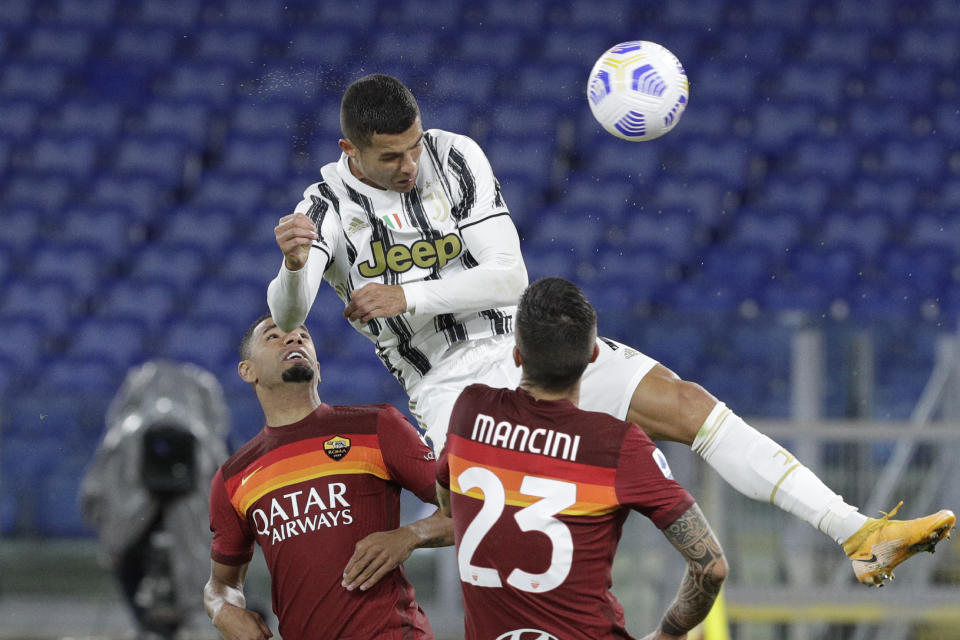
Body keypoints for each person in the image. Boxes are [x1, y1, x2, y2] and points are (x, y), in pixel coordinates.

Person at [267, 73, 955, 587]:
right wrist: (297, 266)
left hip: (524, 341)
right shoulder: (324, 206)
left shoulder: (455, 157)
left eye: (414, 146)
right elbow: (291, 312)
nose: (410, 164)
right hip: (447, 381)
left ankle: (859, 532)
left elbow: (510, 275)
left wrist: (406, 294)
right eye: (392, 157)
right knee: (494, 524)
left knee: (688, 405)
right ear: (349, 149)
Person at [436, 277, 727, 639]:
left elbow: (448, 501)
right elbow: (710, 566)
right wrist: (669, 634)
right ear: (592, 356)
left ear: (516, 353)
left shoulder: (470, 411)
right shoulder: (616, 445)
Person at [204, 313, 453, 639]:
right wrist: (222, 609)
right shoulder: (233, 478)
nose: (294, 339)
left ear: (318, 370)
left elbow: (471, 507)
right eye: (273, 336)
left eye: (303, 335)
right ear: (247, 370)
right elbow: (222, 583)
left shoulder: (377, 427)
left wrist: (409, 536)